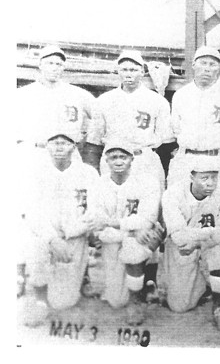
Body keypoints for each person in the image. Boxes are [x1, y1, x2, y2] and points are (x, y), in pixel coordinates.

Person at [20, 130, 99, 326]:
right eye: (54, 142)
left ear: (74, 146)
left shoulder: (87, 172)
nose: (59, 147)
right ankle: (39, 300)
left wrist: (71, 232)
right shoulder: (36, 172)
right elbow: (31, 212)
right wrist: (53, 239)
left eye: (64, 142)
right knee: (35, 244)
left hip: (75, 236)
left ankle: (76, 282)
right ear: (47, 146)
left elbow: (95, 209)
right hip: (46, 237)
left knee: (63, 303)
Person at [161, 156, 220, 332]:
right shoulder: (173, 194)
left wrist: (202, 242)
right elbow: (179, 237)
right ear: (191, 177)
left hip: (207, 243)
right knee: (179, 306)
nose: (210, 183)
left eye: (214, 177)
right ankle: (200, 284)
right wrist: (211, 232)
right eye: (204, 178)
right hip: (183, 246)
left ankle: (219, 309)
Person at [168, 46, 220, 216]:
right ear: (193, 64)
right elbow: (175, 130)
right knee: (181, 208)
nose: (207, 68)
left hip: (219, 158)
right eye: (203, 63)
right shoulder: (181, 95)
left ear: (218, 68)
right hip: (188, 158)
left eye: (212, 64)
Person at [89, 140, 164, 325]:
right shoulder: (98, 184)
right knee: (116, 301)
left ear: (131, 159)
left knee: (134, 247)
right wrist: (129, 230)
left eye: (123, 156)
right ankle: (138, 283)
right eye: (113, 157)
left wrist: (116, 225)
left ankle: (135, 302)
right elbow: (97, 222)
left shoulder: (146, 181)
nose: (118, 161)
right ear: (106, 160)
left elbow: (148, 218)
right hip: (114, 240)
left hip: (136, 239)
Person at [85, 50, 173, 190]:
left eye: (133, 69)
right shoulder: (104, 100)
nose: (128, 74)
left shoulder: (157, 101)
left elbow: (166, 141)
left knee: (150, 204)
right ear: (118, 72)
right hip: (113, 159)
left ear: (143, 72)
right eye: (124, 69)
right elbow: (94, 141)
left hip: (143, 158)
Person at [16, 45, 94, 165]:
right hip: (35, 153)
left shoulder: (78, 94)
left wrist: (85, 138)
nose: (54, 68)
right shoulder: (23, 94)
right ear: (40, 65)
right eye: (50, 63)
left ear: (63, 67)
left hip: (68, 156)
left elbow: (101, 116)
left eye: (59, 64)